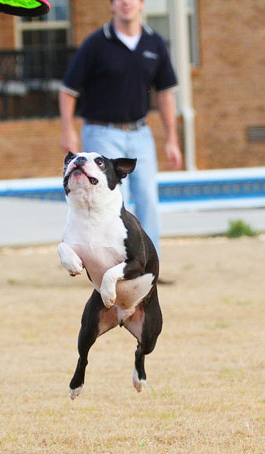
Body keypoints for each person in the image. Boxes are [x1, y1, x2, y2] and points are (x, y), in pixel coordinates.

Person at [59, 0, 183, 263]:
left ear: (141, 4)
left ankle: (149, 267)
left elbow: (165, 95)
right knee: (111, 202)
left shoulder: (154, 43)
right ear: (112, 5)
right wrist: (68, 130)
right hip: (102, 133)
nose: (127, 3)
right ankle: (108, 264)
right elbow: (68, 90)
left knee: (148, 199)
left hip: (140, 133)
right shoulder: (96, 43)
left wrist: (172, 138)